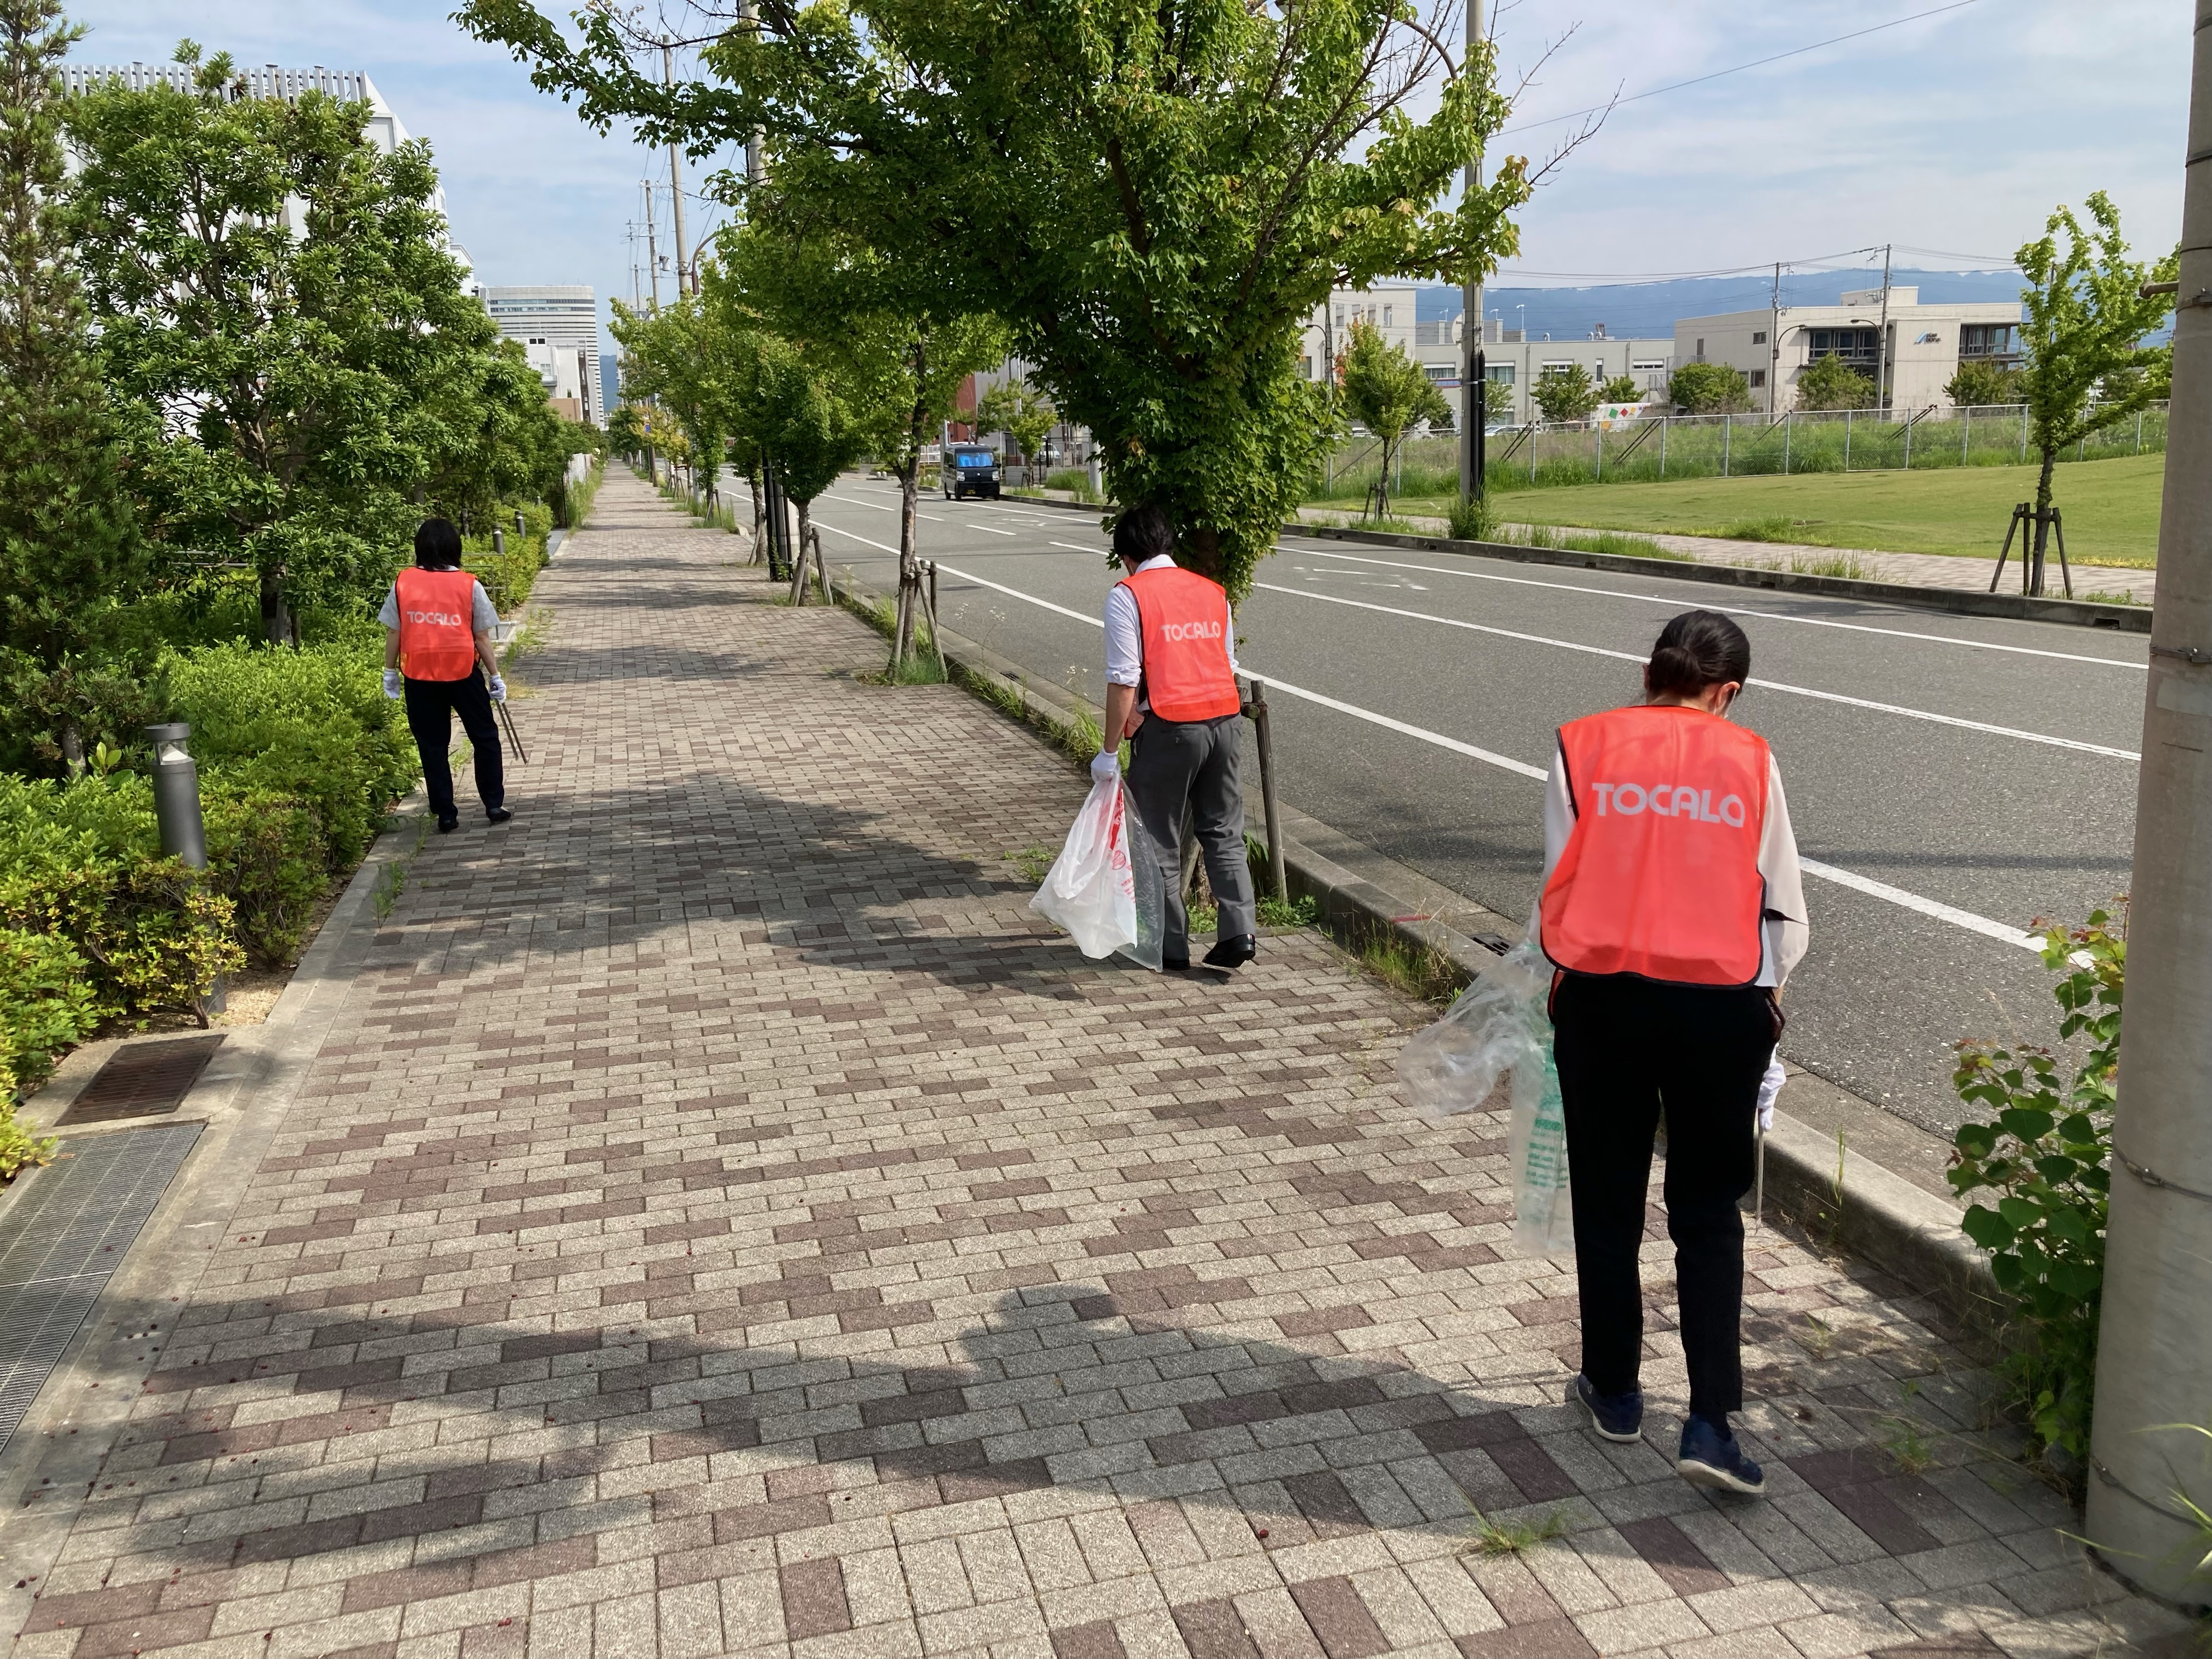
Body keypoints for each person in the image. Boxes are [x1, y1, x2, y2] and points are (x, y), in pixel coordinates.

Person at [1532, 609, 1807, 1496]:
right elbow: (1783, 912)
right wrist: (1763, 1006)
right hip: (1719, 1007)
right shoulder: (1750, 758)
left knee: (1607, 1201)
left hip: (1603, 1000)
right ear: (1724, 690)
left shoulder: (1582, 746)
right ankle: (1710, 1422)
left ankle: (1614, 1391)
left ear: (1648, 671)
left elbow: (1558, 884)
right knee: (1706, 1210)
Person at [1090, 503, 1256, 972]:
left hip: (1170, 729)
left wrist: (1108, 752)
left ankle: (1171, 946)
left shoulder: (1128, 595)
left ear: (1126, 555)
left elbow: (1124, 677)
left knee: (1157, 838)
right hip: (1225, 721)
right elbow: (1228, 664)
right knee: (1224, 830)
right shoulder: (1212, 591)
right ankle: (1239, 931)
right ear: (1168, 544)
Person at [382, 518, 511, 834]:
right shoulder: (469, 585)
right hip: (463, 673)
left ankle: (446, 814)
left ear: (420, 548)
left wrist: (389, 670)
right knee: (484, 738)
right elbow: (481, 637)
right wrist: (495, 676)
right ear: (456, 547)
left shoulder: (403, 583)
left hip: (419, 676)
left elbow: (394, 632)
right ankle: (493, 803)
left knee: (432, 744)